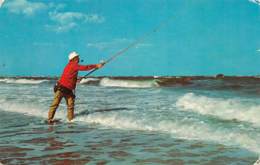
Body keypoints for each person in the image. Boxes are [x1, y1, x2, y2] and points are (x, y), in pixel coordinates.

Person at [48, 51, 104, 123]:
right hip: (61, 88)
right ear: (74, 58)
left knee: (70, 105)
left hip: (68, 89)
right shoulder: (73, 65)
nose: (79, 58)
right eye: (77, 57)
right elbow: (85, 67)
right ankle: (50, 119)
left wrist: (76, 79)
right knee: (56, 104)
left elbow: (69, 76)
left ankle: (70, 120)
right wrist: (96, 66)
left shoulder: (71, 65)